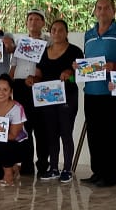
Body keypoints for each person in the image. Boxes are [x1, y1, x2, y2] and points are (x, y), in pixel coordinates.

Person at [82, 0, 116, 187]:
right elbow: (87, 62)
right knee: (94, 133)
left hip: (113, 91)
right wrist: (78, 67)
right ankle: (97, 172)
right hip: (90, 91)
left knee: (111, 134)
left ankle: (110, 175)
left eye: (107, 8)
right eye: (99, 8)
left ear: (114, 11)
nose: (102, 11)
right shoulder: (88, 34)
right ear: (95, 11)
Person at [33, 19, 82, 183]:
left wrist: (70, 73)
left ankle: (67, 169)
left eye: (61, 30)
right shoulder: (43, 52)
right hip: (47, 99)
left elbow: (80, 75)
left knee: (66, 133)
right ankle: (53, 168)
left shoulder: (75, 51)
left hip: (68, 98)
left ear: (67, 32)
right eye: (54, 30)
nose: (56, 33)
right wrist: (33, 80)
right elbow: (39, 74)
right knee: (51, 134)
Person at [10, 8, 46, 175]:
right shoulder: (20, 42)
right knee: (24, 128)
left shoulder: (49, 42)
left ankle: (43, 165)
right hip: (19, 87)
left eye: (37, 19)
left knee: (41, 128)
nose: (33, 22)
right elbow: (13, 67)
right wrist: (8, 87)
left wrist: (37, 78)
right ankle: (27, 164)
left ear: (43, 23)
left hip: (39, 86)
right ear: (26, 23)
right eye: (30, 19)